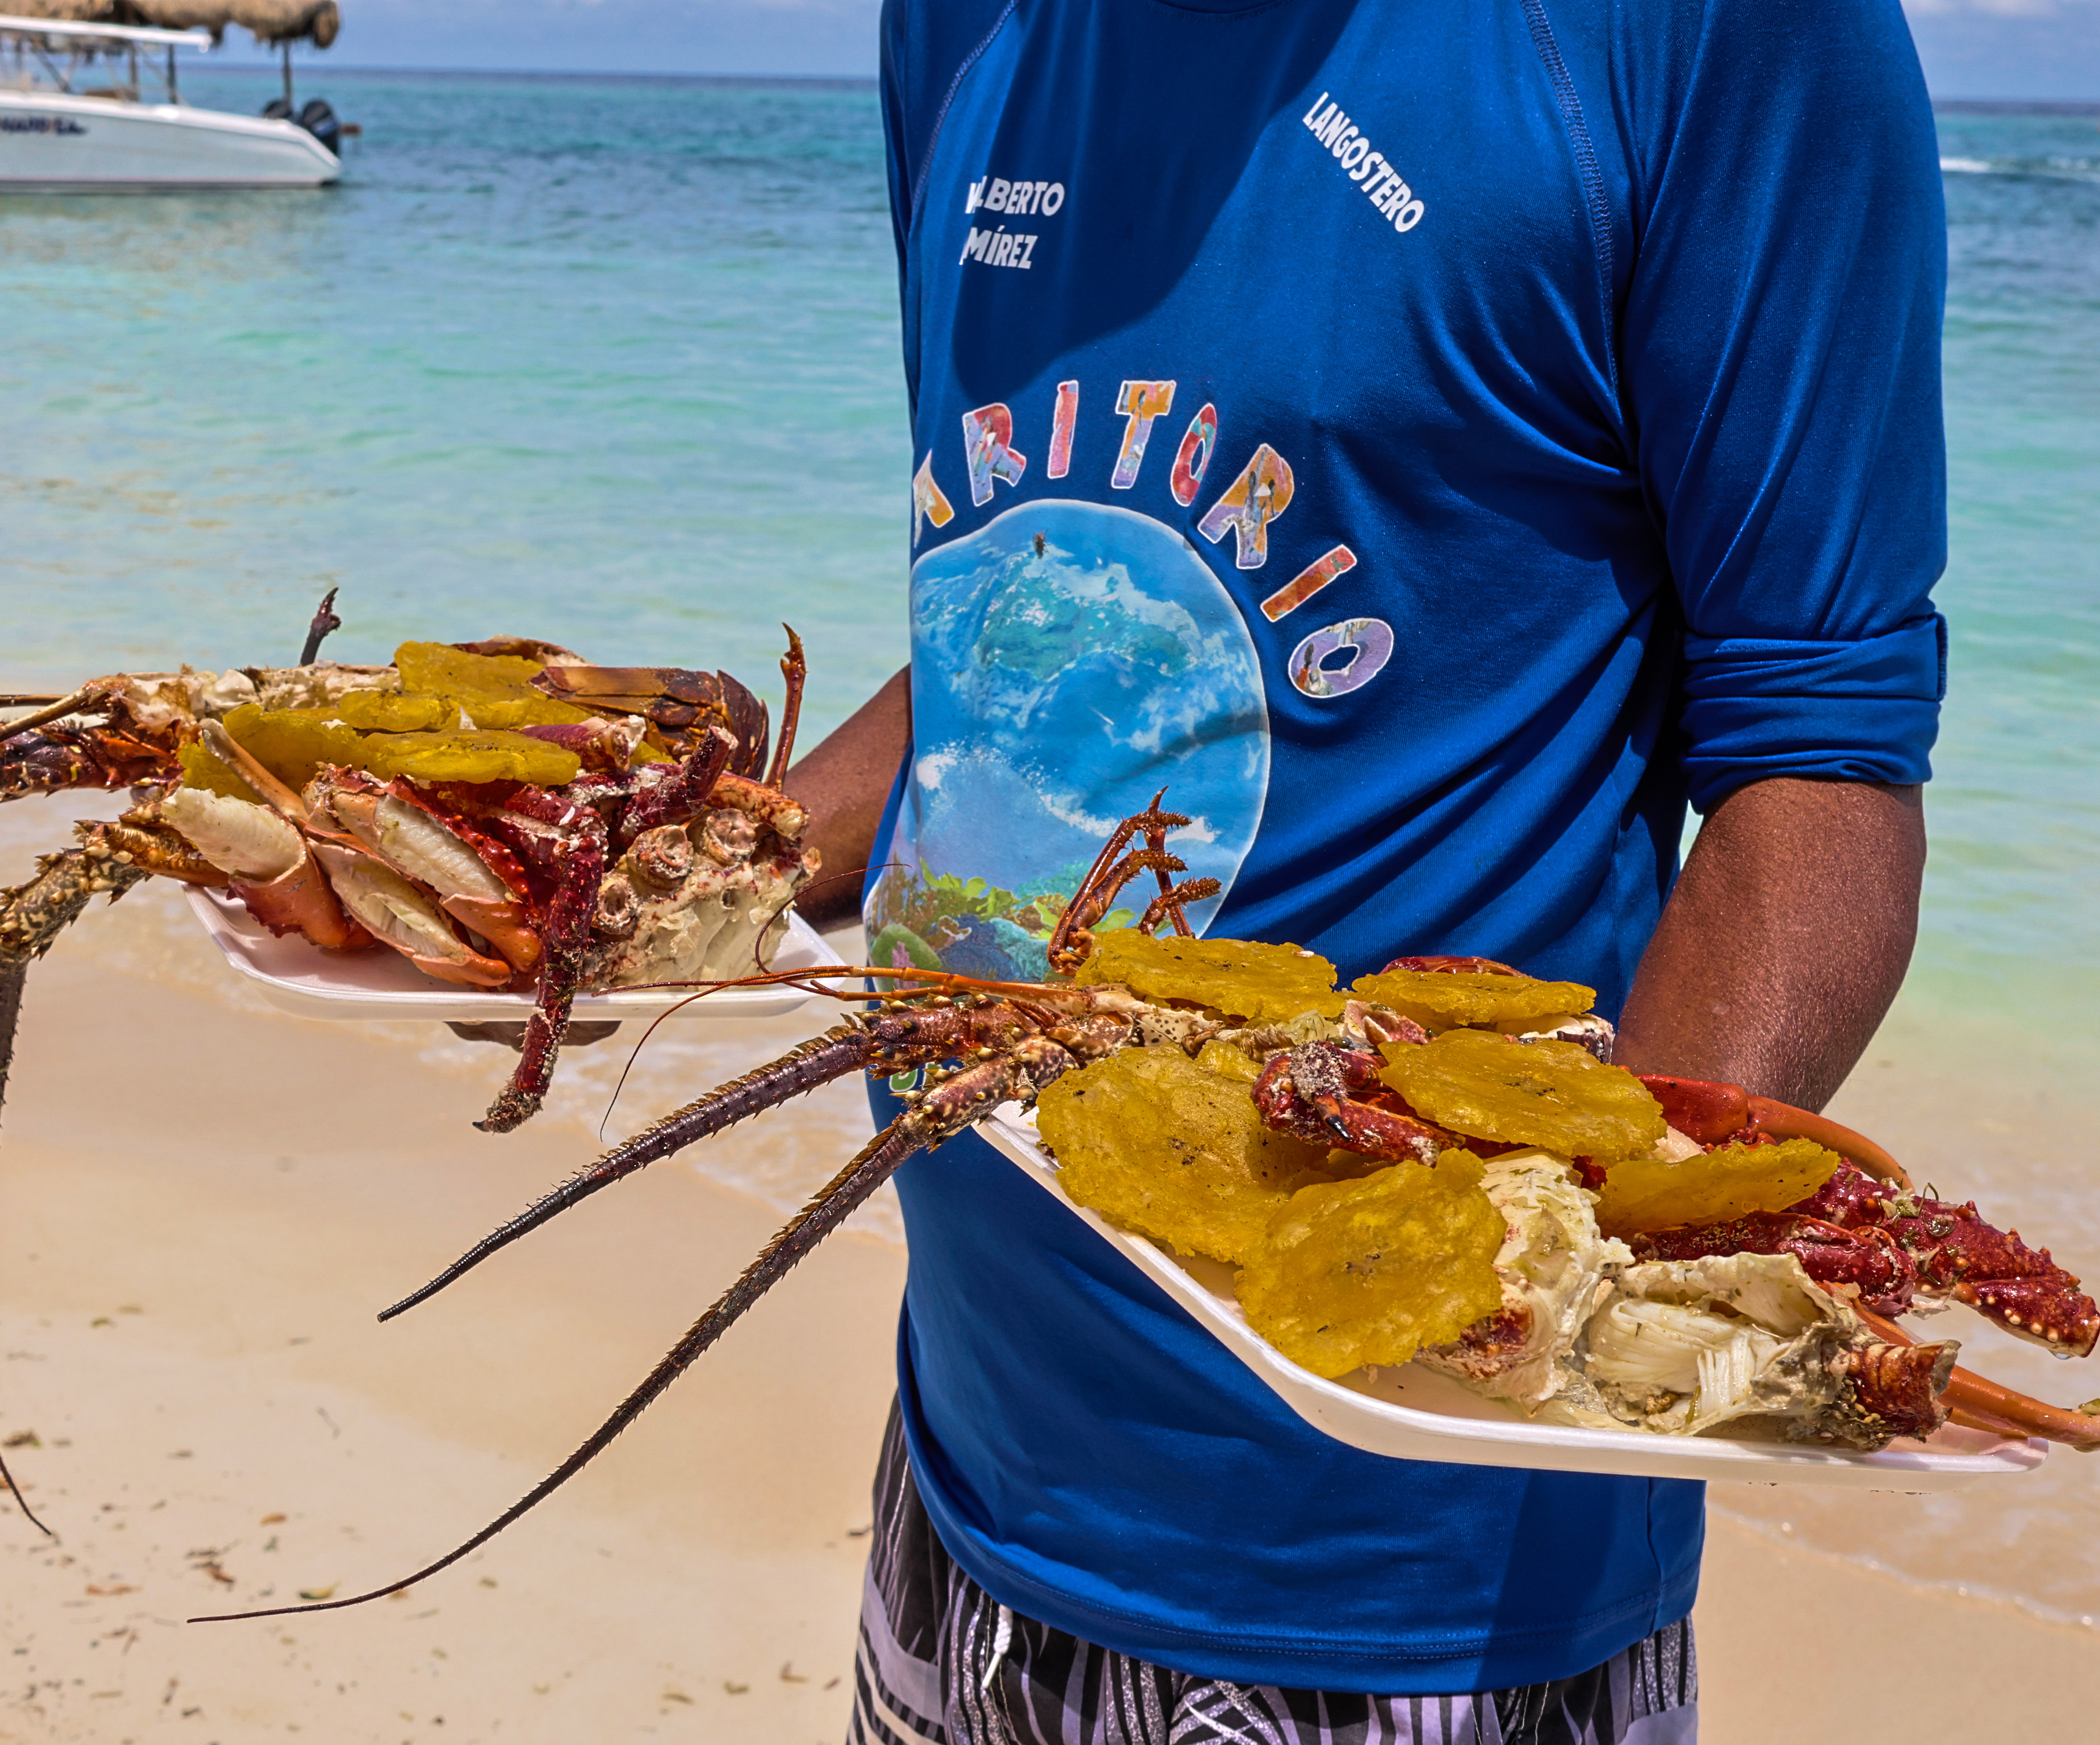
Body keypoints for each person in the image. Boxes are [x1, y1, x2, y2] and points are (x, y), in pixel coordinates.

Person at [778, 0, 1948, 1740]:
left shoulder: (1707, 32)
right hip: (966, 1464)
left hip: (1421, 1596)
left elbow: (1816, 762)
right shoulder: (957, 23)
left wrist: (1579, 1292)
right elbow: (1026, 581)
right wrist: (720, 849)